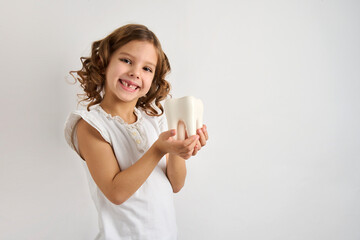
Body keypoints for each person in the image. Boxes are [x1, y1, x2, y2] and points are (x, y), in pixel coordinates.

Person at [64, 24, 209, 240]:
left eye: (147, 68)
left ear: (153, 80)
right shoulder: (91, 125)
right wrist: (159, 148)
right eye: (126, 60)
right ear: (105, 63)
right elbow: (116, 192)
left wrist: (181, 147)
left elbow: (176, 184)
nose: (135, 72)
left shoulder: (154, 121)